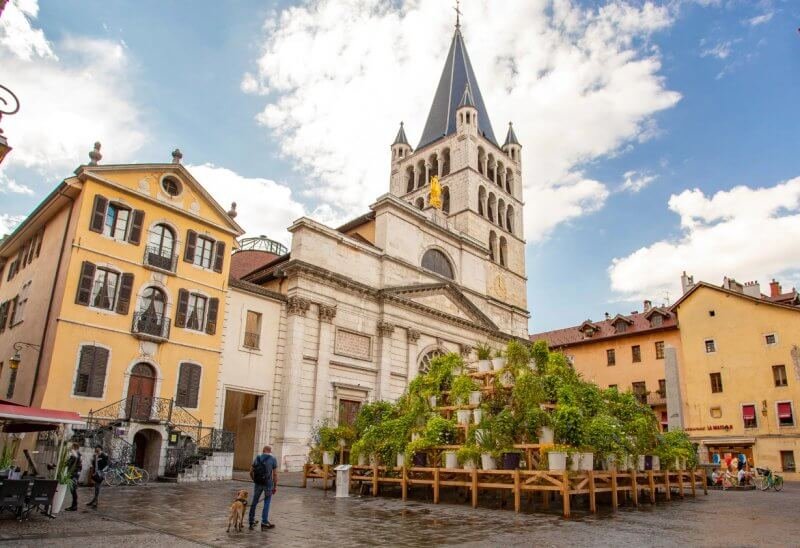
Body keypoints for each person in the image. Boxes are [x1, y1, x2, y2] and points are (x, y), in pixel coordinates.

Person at [248, 445, 278, 531]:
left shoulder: (257, 458)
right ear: (270, 451)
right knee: (267, 502)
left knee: (254, 501)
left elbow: (250, 472)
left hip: (258, 483)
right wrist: (275, 486)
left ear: (263, 450)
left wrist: (254, 480)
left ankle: (251, 520)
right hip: (268, 484)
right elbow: (275, 474)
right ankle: (264, 522)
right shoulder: (273, 459)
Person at [64, 443, 83, 511]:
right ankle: (74, 506)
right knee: (73, 490)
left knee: (73, 490)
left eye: (72, 447)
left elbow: (70, 463)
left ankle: (74, 506)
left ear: (75, 447)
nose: (71, 448)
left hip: (74, 474)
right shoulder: (77, 455)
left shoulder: (76, 455)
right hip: (75, 474)